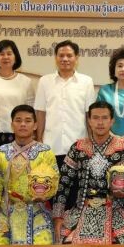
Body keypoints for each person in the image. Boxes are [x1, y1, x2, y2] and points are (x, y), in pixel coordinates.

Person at [52, 101, 124, 244]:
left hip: (115, 209)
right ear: (89, 121)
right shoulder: (77, 148)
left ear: (112, 121)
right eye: (96, 118)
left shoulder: (123, 149)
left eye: (104, 118)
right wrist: (58, 216)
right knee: (64, 238)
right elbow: (63, 183)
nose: (100, 122)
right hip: (81, 209)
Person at [0, 105, 58, 245]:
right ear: (12, 125)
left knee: (43, 245)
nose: (23, 124)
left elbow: (54, 183)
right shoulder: (1, 152)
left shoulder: (45, 152)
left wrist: (45, 195)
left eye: (28, 121)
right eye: (18, 120)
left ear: (35, 125)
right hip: (6, 211)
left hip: (36, 209)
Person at [34, 40, 96, 170]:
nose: (65, 59)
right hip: (51, 144)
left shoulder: (86, 81)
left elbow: (89, 113)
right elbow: (41, 112)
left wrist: (92, 140)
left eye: (69, 55)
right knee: (51, 186)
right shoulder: (45, 81)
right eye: (61, 55)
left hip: (79, 145)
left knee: (76, 188)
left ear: (76, 58)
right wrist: (39, 139)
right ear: (55, 58)